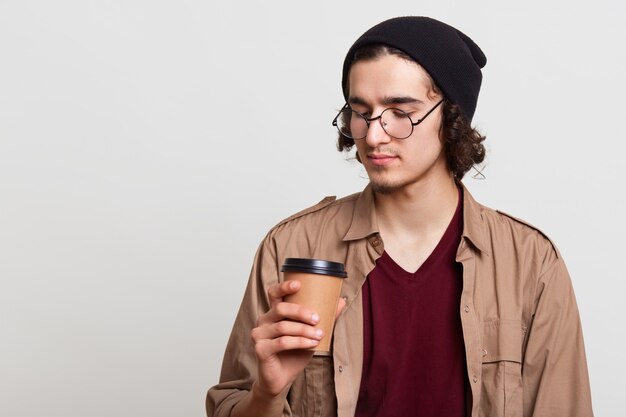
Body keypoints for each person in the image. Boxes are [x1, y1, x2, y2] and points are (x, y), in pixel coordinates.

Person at [206, 16, 593, 417]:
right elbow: (233, 402)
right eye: (362, 112)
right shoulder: (290, 248)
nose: (373, 135)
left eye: (400, 111)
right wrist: (267, 395)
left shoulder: (531, 263)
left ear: (453, 118)